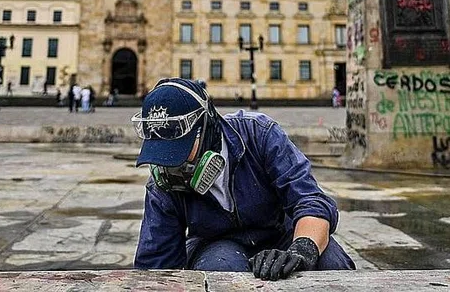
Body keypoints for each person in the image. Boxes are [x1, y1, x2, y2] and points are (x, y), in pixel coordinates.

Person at [132, 78, 355, 279]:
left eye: (179, 150)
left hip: (279, 233)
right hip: (215, 244)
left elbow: (310, 200)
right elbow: (155, 269)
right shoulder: (163, 181)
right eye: (162, 152)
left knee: (331, 263)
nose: (171, 164)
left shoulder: (259, 134)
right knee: (221, 271)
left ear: (207, 126)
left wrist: (302, 251)